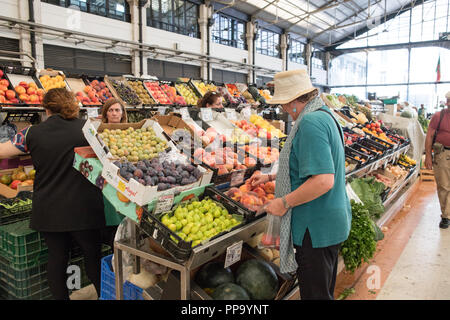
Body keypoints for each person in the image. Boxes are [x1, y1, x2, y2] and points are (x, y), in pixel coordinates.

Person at [247, 69, 351, 300]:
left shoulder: (310, 123)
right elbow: (310, 166)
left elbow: (323, 180)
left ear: (295, 100)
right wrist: (271, 178)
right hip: (328, 222)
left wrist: (284, 202)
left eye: (284, 103)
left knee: (316, 296)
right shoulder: (325, 115)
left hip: (315, 228)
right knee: (322, 291)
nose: (283, 109)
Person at [0, 88, 106, 300]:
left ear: (45, 108)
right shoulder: (88, 129)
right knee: (92, 255)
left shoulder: (31, 133)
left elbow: (3, 152)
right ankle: (105, 295)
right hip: (85, 206)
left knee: (57, 259)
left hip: (50, 208)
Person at [100, 99, 127, 249]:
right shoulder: (101, 132)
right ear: (106, 114)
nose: (114, 113)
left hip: (127, 177)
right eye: (110, 110)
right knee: (111, 210)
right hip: (108, 179)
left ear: (123, 113)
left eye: (117, 110)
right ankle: (113, 246)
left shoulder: (130, 131)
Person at [425, 91, 450, 229]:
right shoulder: (438, 116)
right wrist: (428, 155)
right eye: (448, 100)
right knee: (444, 186)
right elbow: (429, 136)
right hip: (442, 155)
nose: (448, 103)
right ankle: (446, 216)